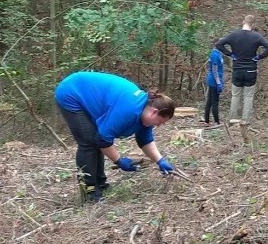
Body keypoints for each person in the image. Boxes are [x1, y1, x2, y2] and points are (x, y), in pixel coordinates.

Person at [54, 71, 177, 202]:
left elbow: (145, 140)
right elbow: (103, 139)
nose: (158, 125)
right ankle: (89, 192)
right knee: (89, 142)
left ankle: (101, 185)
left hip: (87, 93)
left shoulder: (144, 114)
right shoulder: (129, 110)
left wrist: (160, 161)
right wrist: (119, 160)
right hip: (72, 92)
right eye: (160, 121)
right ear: (154, 112)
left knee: (95, 139)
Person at [215, 15, 268, 124]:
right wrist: (258, 57)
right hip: (251, 70)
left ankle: (232, 120)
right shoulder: (256, 36)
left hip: (237, 69)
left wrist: (230, 54)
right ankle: (245, 121)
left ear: (243, 22)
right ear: (253, 24)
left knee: (235, 95)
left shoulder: (234, 35)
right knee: (248, 97)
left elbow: (219, 44)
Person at [202, 37, 225, 127]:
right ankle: (216, 121)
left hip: (214, 80)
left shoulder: (218, 54)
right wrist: (218, 82)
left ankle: (206, 121)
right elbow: (214, 70)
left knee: (210, 101)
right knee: (214, 102)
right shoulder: (215, 55)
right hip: (214, 81)